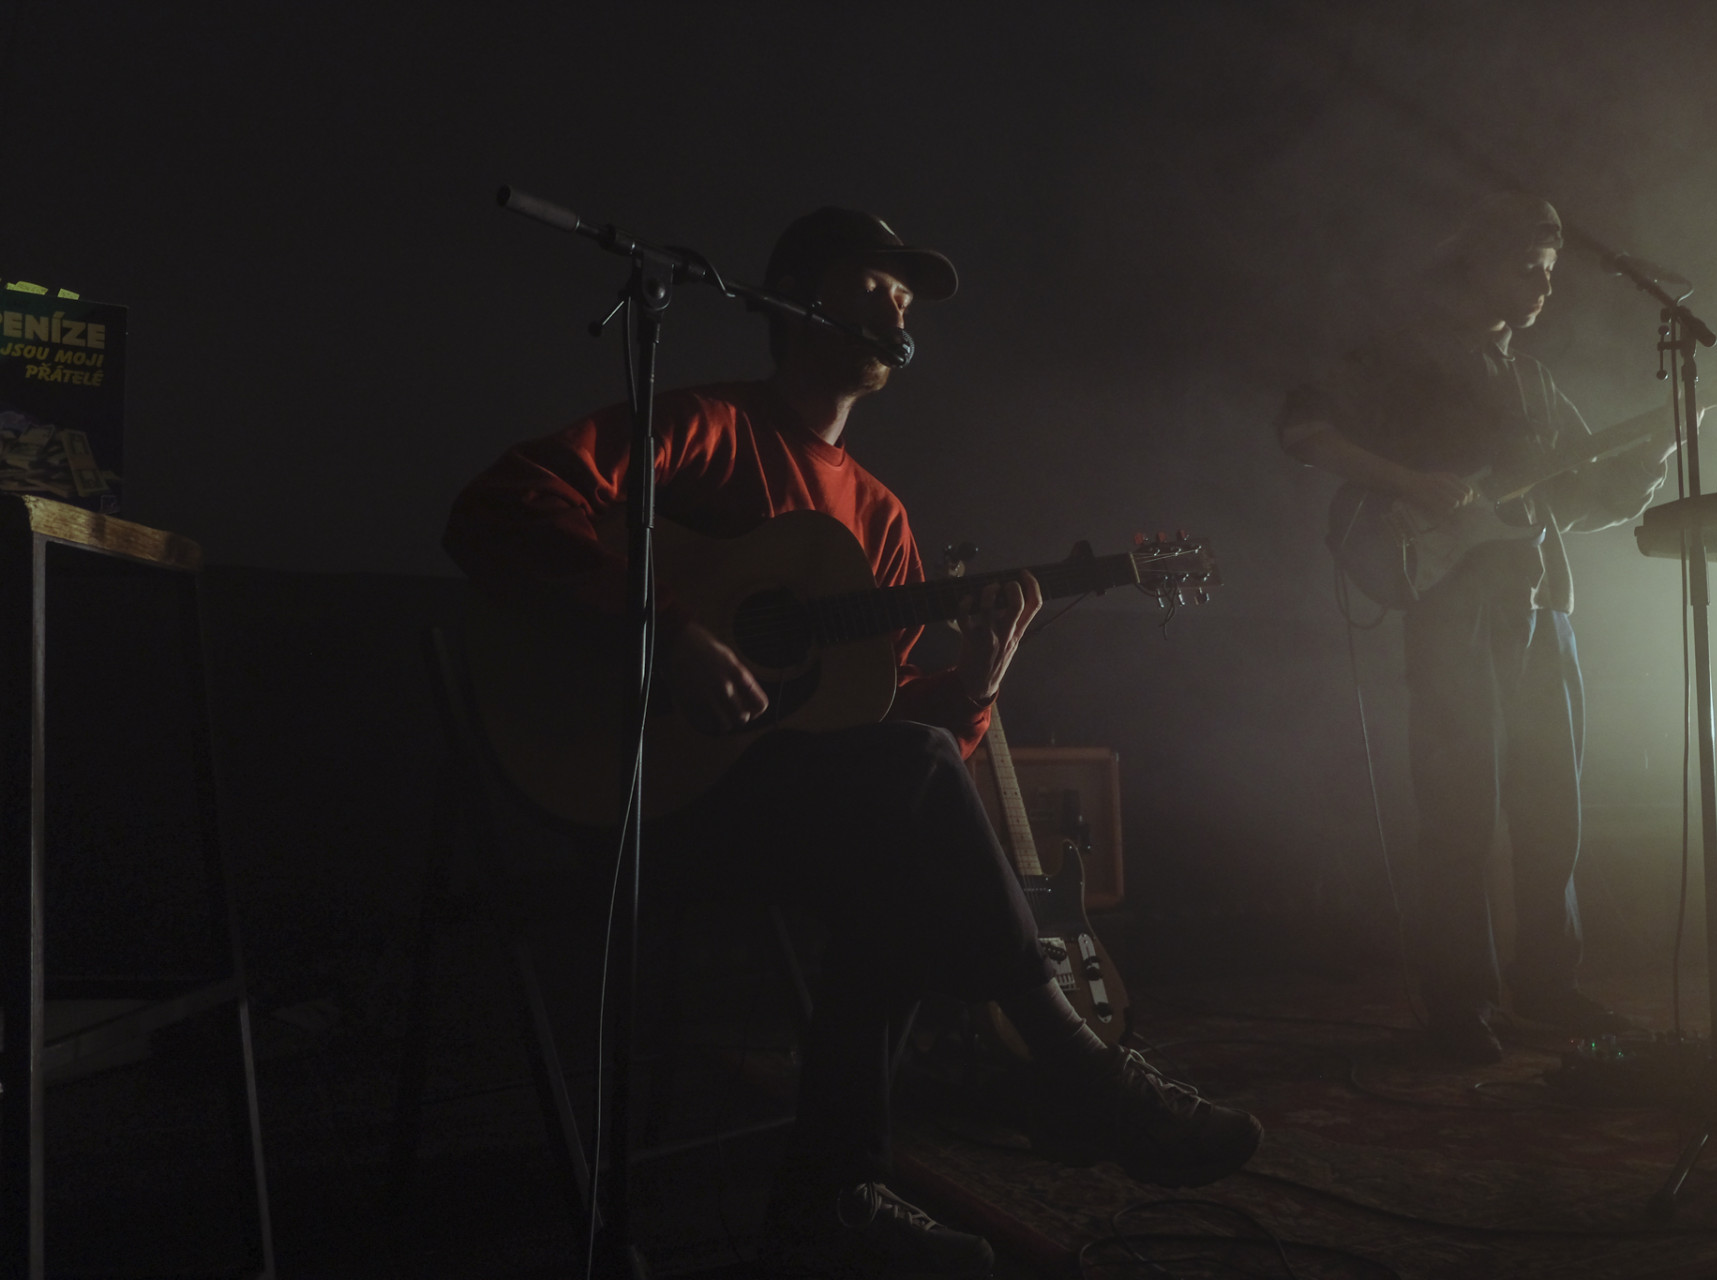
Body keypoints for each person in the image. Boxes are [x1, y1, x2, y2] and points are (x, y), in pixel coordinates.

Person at [446, 207, 1262, 1277]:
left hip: (774, 810)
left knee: (903, 853)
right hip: (630, 784)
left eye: (907, 299)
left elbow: (884, 734)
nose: (898, 311)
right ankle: (1072, 1070)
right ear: (796, 298)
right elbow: (500, 503)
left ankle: (830, 1202)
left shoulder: (881, 520)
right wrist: (671, 631)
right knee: (906, 825)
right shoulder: (706, 428)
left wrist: (976, 682)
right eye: (875, 287)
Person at [1280, 193, 1671, 1065]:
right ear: (1475, 265)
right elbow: (1303, 429)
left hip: (1544, 603)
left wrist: (1658, 446)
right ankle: (1460, 1003)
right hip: (1453, 603)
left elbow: (1585, 500)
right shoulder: (1400, 355)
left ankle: (1549, 984)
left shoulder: (1535, 382)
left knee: (1553, 804)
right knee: (1459, 806)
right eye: (1527, 267)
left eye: (1550, 272)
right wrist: (1410, 482)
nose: (1543, 286)